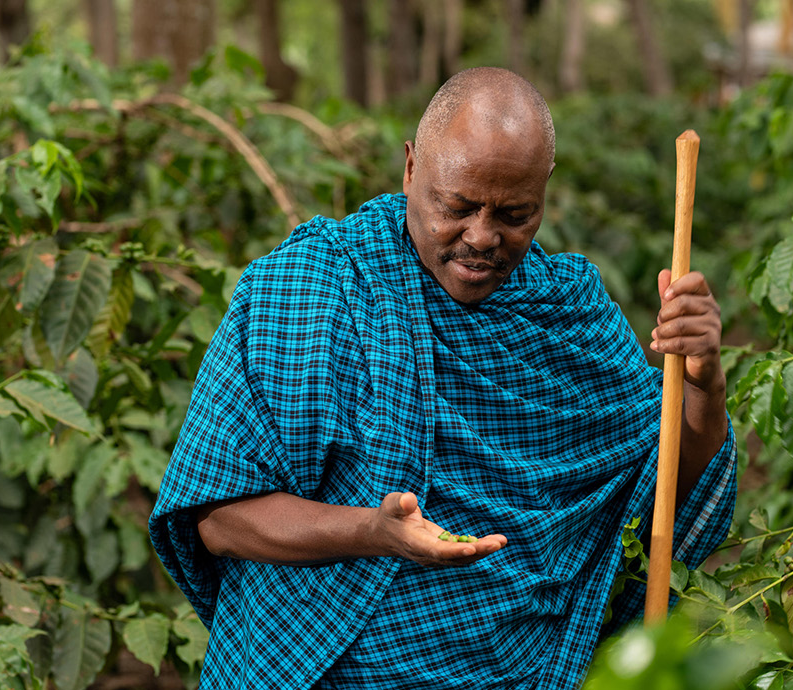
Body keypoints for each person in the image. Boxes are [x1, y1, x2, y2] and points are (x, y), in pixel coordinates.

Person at [149, 67, 736, 689]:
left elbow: (671, 481)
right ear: (409, 170)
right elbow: (218, 519)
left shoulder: (573, 315)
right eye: (456, 207)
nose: (482, 238)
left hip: (516, 672)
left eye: (515, 214)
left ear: (544, 195)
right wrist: (372, 532)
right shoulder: (310, 286)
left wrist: (702, 381)